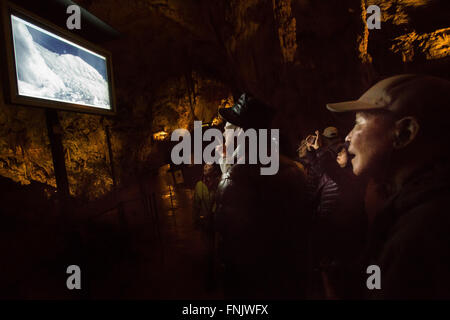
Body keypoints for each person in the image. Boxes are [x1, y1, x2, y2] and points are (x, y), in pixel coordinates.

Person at [326, 74, 450, 299]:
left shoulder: (422, 229)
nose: (348, 136)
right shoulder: (408, 207)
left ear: (404, 133)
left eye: (359, 123)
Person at [215, 93, 312, 299]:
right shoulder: (294, 171)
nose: (224, 133)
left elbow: (231, 250)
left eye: (229, 127)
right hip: (292, 284)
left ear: (242, 134)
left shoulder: (236, 180)